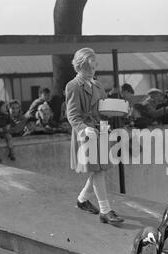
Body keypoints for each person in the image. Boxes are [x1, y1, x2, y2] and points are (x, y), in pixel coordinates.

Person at [66, 47, 124, 225]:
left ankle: (82, 200)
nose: (93, 70)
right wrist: (83, 129)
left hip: (100, 131)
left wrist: (117, 110)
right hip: (86, 134)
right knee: (98, 170)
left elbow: (103, 109)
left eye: (94, 66)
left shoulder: (97, 85)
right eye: (89, 67)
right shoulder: (73, 86)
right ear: (80, 66)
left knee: (100, 169)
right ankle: (105, 211)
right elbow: (72, 115)